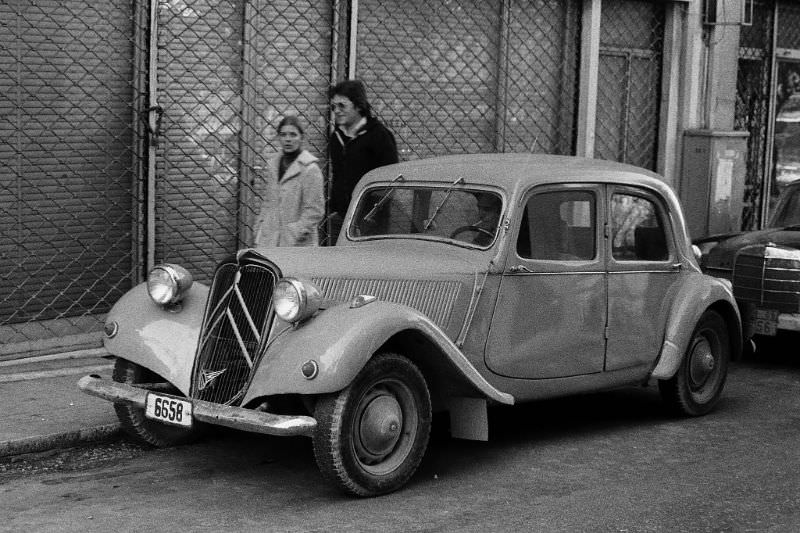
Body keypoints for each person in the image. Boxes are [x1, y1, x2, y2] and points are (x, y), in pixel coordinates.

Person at [328, 80, 399, 243]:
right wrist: (335, 210)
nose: (336, 111)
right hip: (341, 219)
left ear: (358, 106)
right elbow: (337, 175)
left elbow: (390, 182)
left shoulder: (380, 137)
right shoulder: (336, 137)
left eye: (342, 106)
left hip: (369, 222)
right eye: (333, 107)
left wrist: (372, 215)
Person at [253, 115, 324, 247]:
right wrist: (260, 226)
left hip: (297, 244)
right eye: (283, 135)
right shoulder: (273, 166)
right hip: (270, 238)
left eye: (293, 135)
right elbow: (268, 201)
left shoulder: (310, 169)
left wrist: (295, 232)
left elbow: (315, 211)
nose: (288, 139)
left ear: (301, 138)